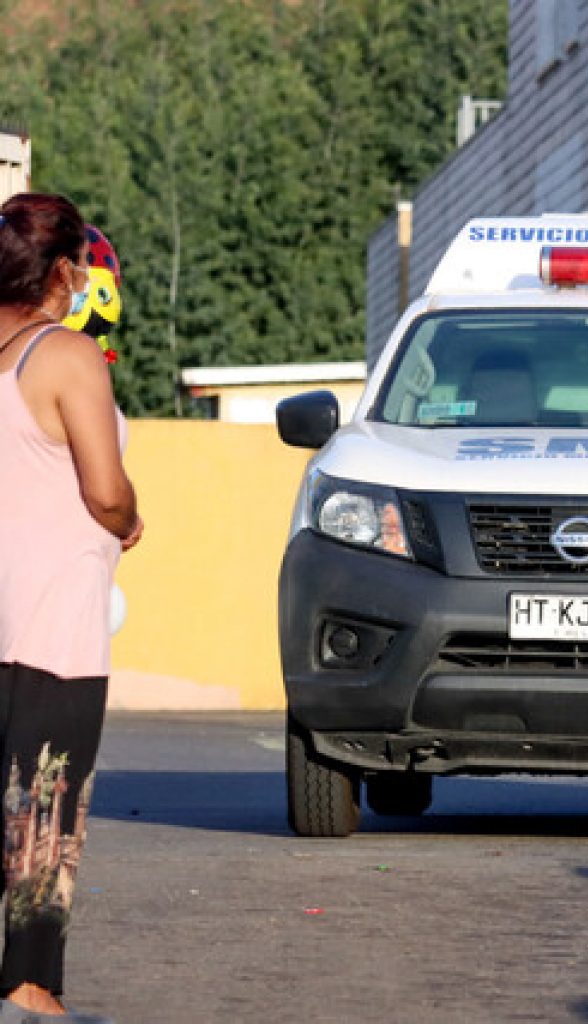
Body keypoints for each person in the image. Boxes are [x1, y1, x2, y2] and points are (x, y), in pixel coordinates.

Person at [0, 193, 143, 1023]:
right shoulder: (66, 356)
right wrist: (130, 522)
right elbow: (104, 491)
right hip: (53, 627)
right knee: (44, 816)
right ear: (62, 272)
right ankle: (28, 990)